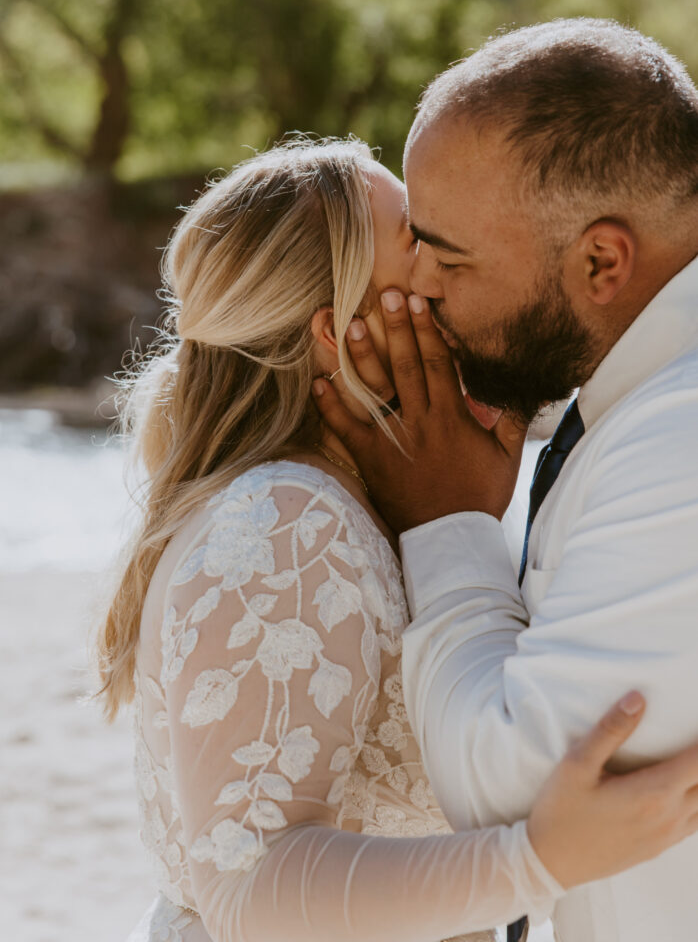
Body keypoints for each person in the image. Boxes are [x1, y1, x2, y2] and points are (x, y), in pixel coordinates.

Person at [95, 138, 698, 942]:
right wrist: (539, 861)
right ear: (339, 334)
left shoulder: (358, 509)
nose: (447, 273)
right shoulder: (287, 520)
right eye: (416, 242)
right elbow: (248, 886)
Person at [312, 19, 698, 942]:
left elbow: (512, 788)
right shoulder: (637, 401)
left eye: (448, 257)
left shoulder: (681, 434)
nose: (421, 292)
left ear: (601, 262)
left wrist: (446, 521)